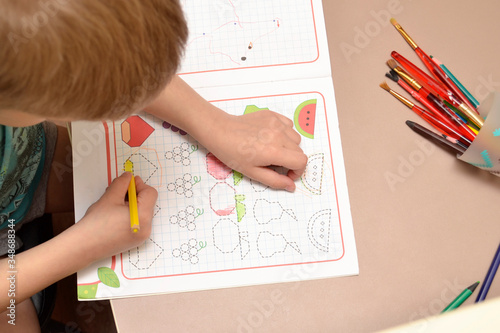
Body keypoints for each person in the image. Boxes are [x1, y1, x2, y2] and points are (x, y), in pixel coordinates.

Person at [0, 1, 307, 331]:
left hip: (22, 165)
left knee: (93, 176)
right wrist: (82, 246)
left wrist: (216, 125)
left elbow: (111, 59)